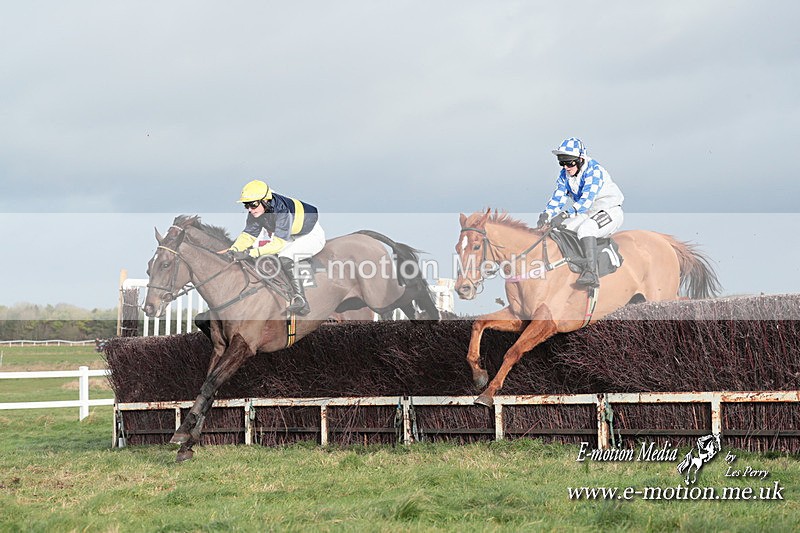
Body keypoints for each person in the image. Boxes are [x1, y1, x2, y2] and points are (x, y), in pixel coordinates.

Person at [536, 137, 624, 289]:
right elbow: (558, 197)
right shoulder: (565, 175)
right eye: (562, 162)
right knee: (560, 229)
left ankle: (591, 272)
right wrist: (547, 214)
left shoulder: (594, 171)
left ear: (581, 159)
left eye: (569, 163)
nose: (566, 167)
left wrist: (563, 215)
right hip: (588, 212)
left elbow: (585, 202)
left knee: (586, 229)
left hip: (609, 210)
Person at [228, 179, 325, 315]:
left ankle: (301, 300)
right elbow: (248, 235)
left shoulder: (281, 210)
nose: (250, 209)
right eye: (246, 205)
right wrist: (234, 249)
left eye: (253, 205)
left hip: (310, 234)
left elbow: (279, 243)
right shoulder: (258, 212)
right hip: (291, 235)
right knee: (270, 260)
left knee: (285, 257)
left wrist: (251, 253)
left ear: (265, 201)